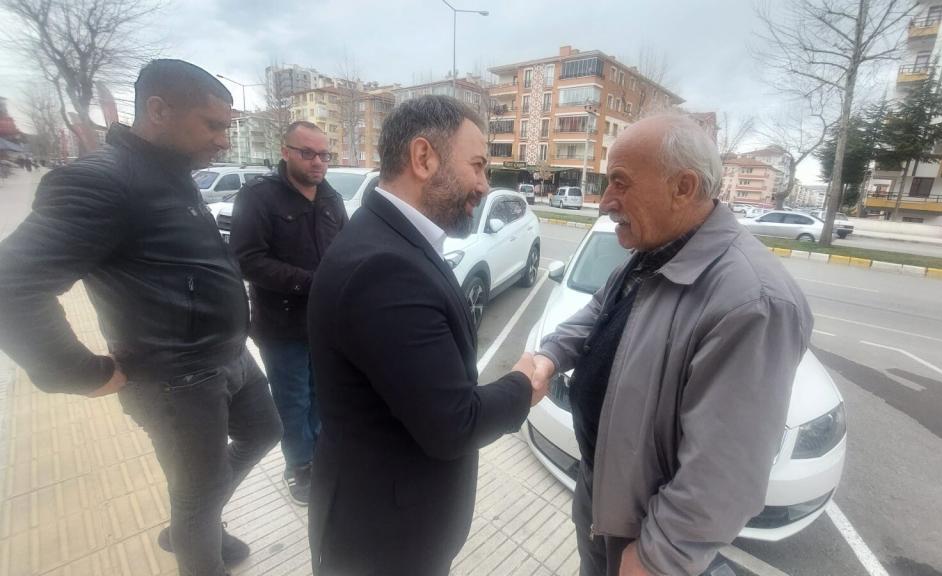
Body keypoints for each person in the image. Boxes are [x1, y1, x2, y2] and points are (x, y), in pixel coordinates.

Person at [0, 59, 283, 576]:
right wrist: (84, 373)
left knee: (263, 431)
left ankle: (195, 523)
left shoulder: (172, 173)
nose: (223, 141)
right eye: (213, 125)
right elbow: (11, 287)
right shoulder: (102, 181)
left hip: (228, 356)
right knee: (196, 494)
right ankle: (198, 539)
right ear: (158, 111)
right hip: (176, 380)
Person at [532, 115, 813, 576]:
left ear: (683, 188)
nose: (605, 202)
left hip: (645, 536)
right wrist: (550, 355)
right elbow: (601, 311)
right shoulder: (658, 250)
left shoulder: (753, 301)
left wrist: (659, 556)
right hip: (603, 496)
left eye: (620, 183)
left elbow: (724, 472)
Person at [306, 95, 548, 576]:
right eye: (477, 165)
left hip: (384, 523)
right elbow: (453, 424)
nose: (484, 184)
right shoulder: (384, 267)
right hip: (385, 544)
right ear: (423, 158)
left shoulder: (386, 235)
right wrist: (524, 385)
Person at [230, 121, 346, 505]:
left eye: (324, 154)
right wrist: (311, 282)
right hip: (282, 326)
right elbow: (247, 259)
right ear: (285, 151)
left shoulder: (330, 197)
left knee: (322, 394)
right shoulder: (259, 197)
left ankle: (319, 453)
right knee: (293, 401)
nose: (318, 162)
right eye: (307, 153)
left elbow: (345, 248)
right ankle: (299, 465)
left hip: (326, 323)